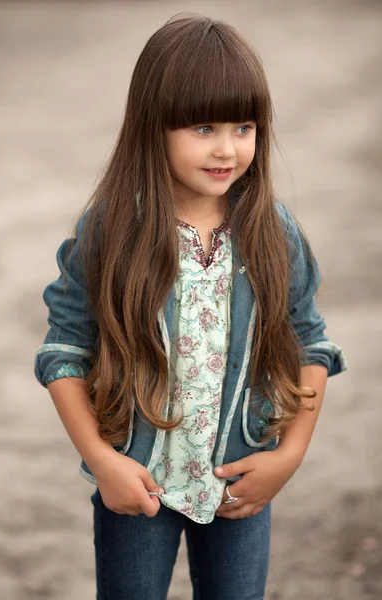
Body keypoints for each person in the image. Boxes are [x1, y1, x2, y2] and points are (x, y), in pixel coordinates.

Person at [34, 13, 348, 600]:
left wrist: (291, 455)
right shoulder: (112, 230)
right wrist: (102, 461)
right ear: (155, 128)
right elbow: (64, 350)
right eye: (203, 127)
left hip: (239, 483)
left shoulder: (272, 234)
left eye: (244, 126)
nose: (228, 148)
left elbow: (310, 343)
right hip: (138, 484)